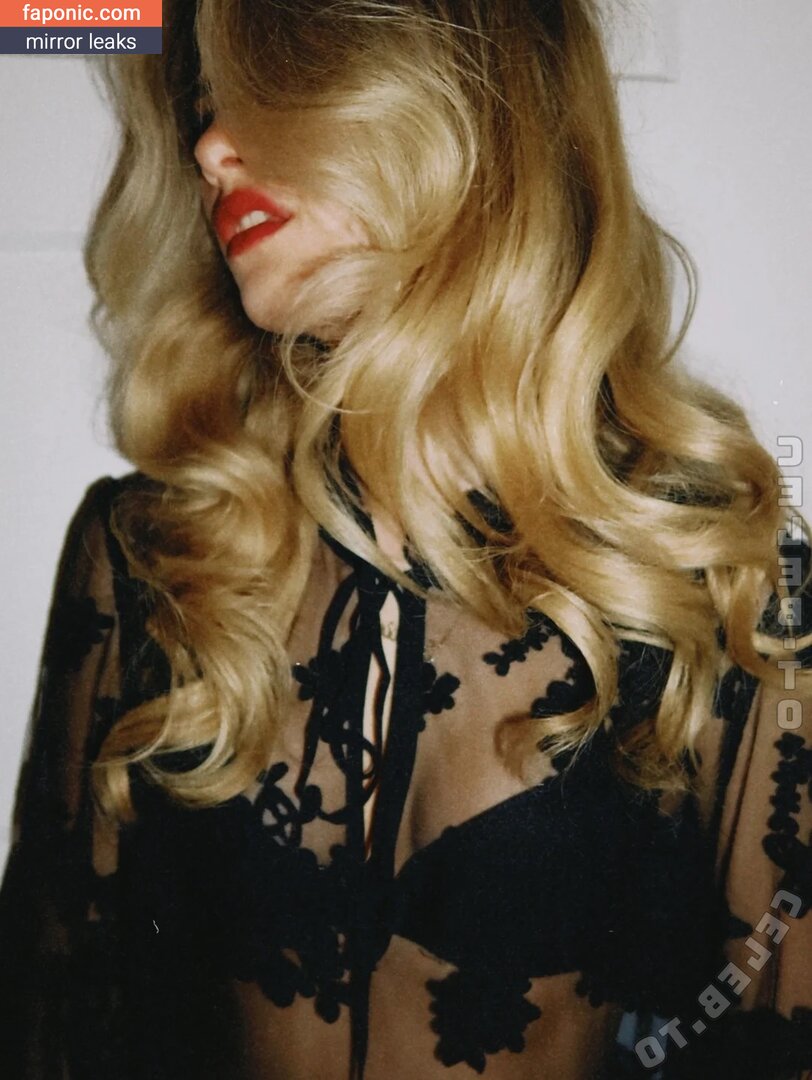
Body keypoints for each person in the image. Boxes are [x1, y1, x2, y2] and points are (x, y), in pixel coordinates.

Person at [1, 1, 811, 1077]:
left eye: (269, 90)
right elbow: (52, 1020)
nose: (209, 148)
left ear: (467, 108)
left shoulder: (720, 582)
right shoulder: (148, 555)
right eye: (203, 105)